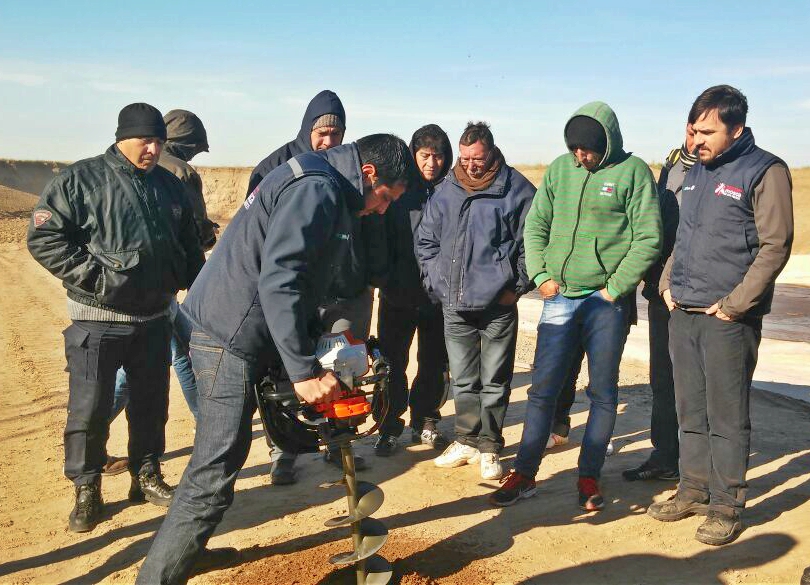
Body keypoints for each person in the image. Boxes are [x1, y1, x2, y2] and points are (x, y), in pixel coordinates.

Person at [136, 134, 416, 585]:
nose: (383, 209)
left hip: (236, 327)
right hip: (227, 335)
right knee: (215, 469)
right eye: (385, 198)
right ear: (369, 175)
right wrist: (303, 372)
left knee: (219, 462)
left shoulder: (324, 182)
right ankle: (161, 575)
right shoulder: (318, 189)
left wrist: (318, 347)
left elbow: (301, 283)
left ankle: (183, 553)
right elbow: (280, 282)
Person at [27, 103, 205, 532]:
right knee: (89, 410)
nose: (153, 148)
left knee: (150, 406)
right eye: (146, 140)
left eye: (160, 141)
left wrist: (194, 281)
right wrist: (97, 278)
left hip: (153, 318)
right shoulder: (80, 180)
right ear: (122, 136)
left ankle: (146, 476)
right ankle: (87, 488)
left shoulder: (168, 184)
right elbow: (44, 237)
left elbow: (187, 245)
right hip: (98, 319)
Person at [491, 102, 661, 511]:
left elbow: (649, 237)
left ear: (605, 143)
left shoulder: (633, 172)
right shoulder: (560, 169)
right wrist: (541, 275)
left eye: (586, 149)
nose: (579, 156)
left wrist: (615, 288)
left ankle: (588, 475)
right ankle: (525, 474)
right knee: (542, 390)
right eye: (573, 149)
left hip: (605, 303)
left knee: (602, 393)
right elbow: (537, 224)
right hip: (559, 298)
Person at [650, 85, 793, 546]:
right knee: (689, 407)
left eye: (707, 131)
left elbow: (776, 246)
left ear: (736, 127)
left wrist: (736, 305)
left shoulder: (764, 170)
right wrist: (667, 283)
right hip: (683, 310)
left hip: (727, 319)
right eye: (693, 131)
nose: (697, 141)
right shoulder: (694, 171)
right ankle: (692, 489)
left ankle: (726, 504)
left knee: (726, 416)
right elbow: (683, 236)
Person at [244, 90, 378, 485]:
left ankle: (340, 446)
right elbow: (260, 234)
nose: (329, 141)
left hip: (345, 288)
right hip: (298, 292)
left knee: (343, 366)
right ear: (307, 130)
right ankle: (283, 450)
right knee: (289, 370)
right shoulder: (276, 167)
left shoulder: (353, 175)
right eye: (322, 133)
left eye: (337, 134)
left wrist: (368, 274)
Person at [417, 122, 535, 481]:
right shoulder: (446, 190)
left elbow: (534, 242)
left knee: (495, 380)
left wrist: (515, 286)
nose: (471, 165)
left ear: (492, 152)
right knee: (464, 380)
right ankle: (466, 439)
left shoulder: (516, 190)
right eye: (465, 158)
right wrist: (437, 284)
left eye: (478, 158)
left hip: (498, 306)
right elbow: (426, 242)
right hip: (454, 304)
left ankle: (490, 446)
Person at [106, 109, 218, 461]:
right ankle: (209, 428)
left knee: (163, 355)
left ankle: (95, 429)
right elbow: (194, 232)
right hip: (163, 284)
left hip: (128, 283)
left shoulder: (123, 166)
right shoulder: (182, 172)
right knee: (182, 351)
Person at [622, 123, 696, 482]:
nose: (697, 137)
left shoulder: (726, 170)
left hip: (697, 293)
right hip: (660, 290)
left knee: (696, 384)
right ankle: (665, 455)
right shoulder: (673, 163)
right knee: (662, 379)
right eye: (693, 129)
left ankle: (700, 467)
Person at [373, 124, 453, 456]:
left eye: (438, 156)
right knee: (391, 363)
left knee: (434, 362)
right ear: (413, 154)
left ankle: (426, 421)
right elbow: (379, 238)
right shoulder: (398, 189)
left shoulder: (454, 192)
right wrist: (386, 278)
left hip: (438, 298)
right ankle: (388, 426)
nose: (431, 163)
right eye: (424, 155)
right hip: (398, 294)